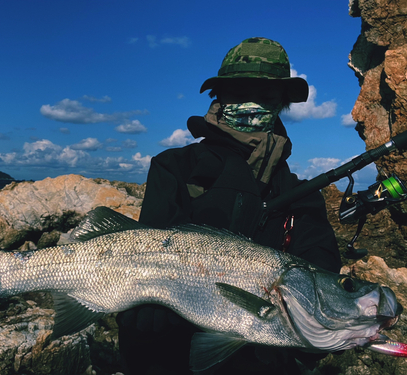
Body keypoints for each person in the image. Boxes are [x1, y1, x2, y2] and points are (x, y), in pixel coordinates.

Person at [116, 37, 342, 375]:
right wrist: (144, 303)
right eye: (239, 92)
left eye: (265, 96)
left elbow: (320, 269)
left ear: (281, 104)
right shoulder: (174, 167)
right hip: (171, 357)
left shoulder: (302, 194)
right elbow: (150, 247)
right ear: (218, 98)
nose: (251, 104)